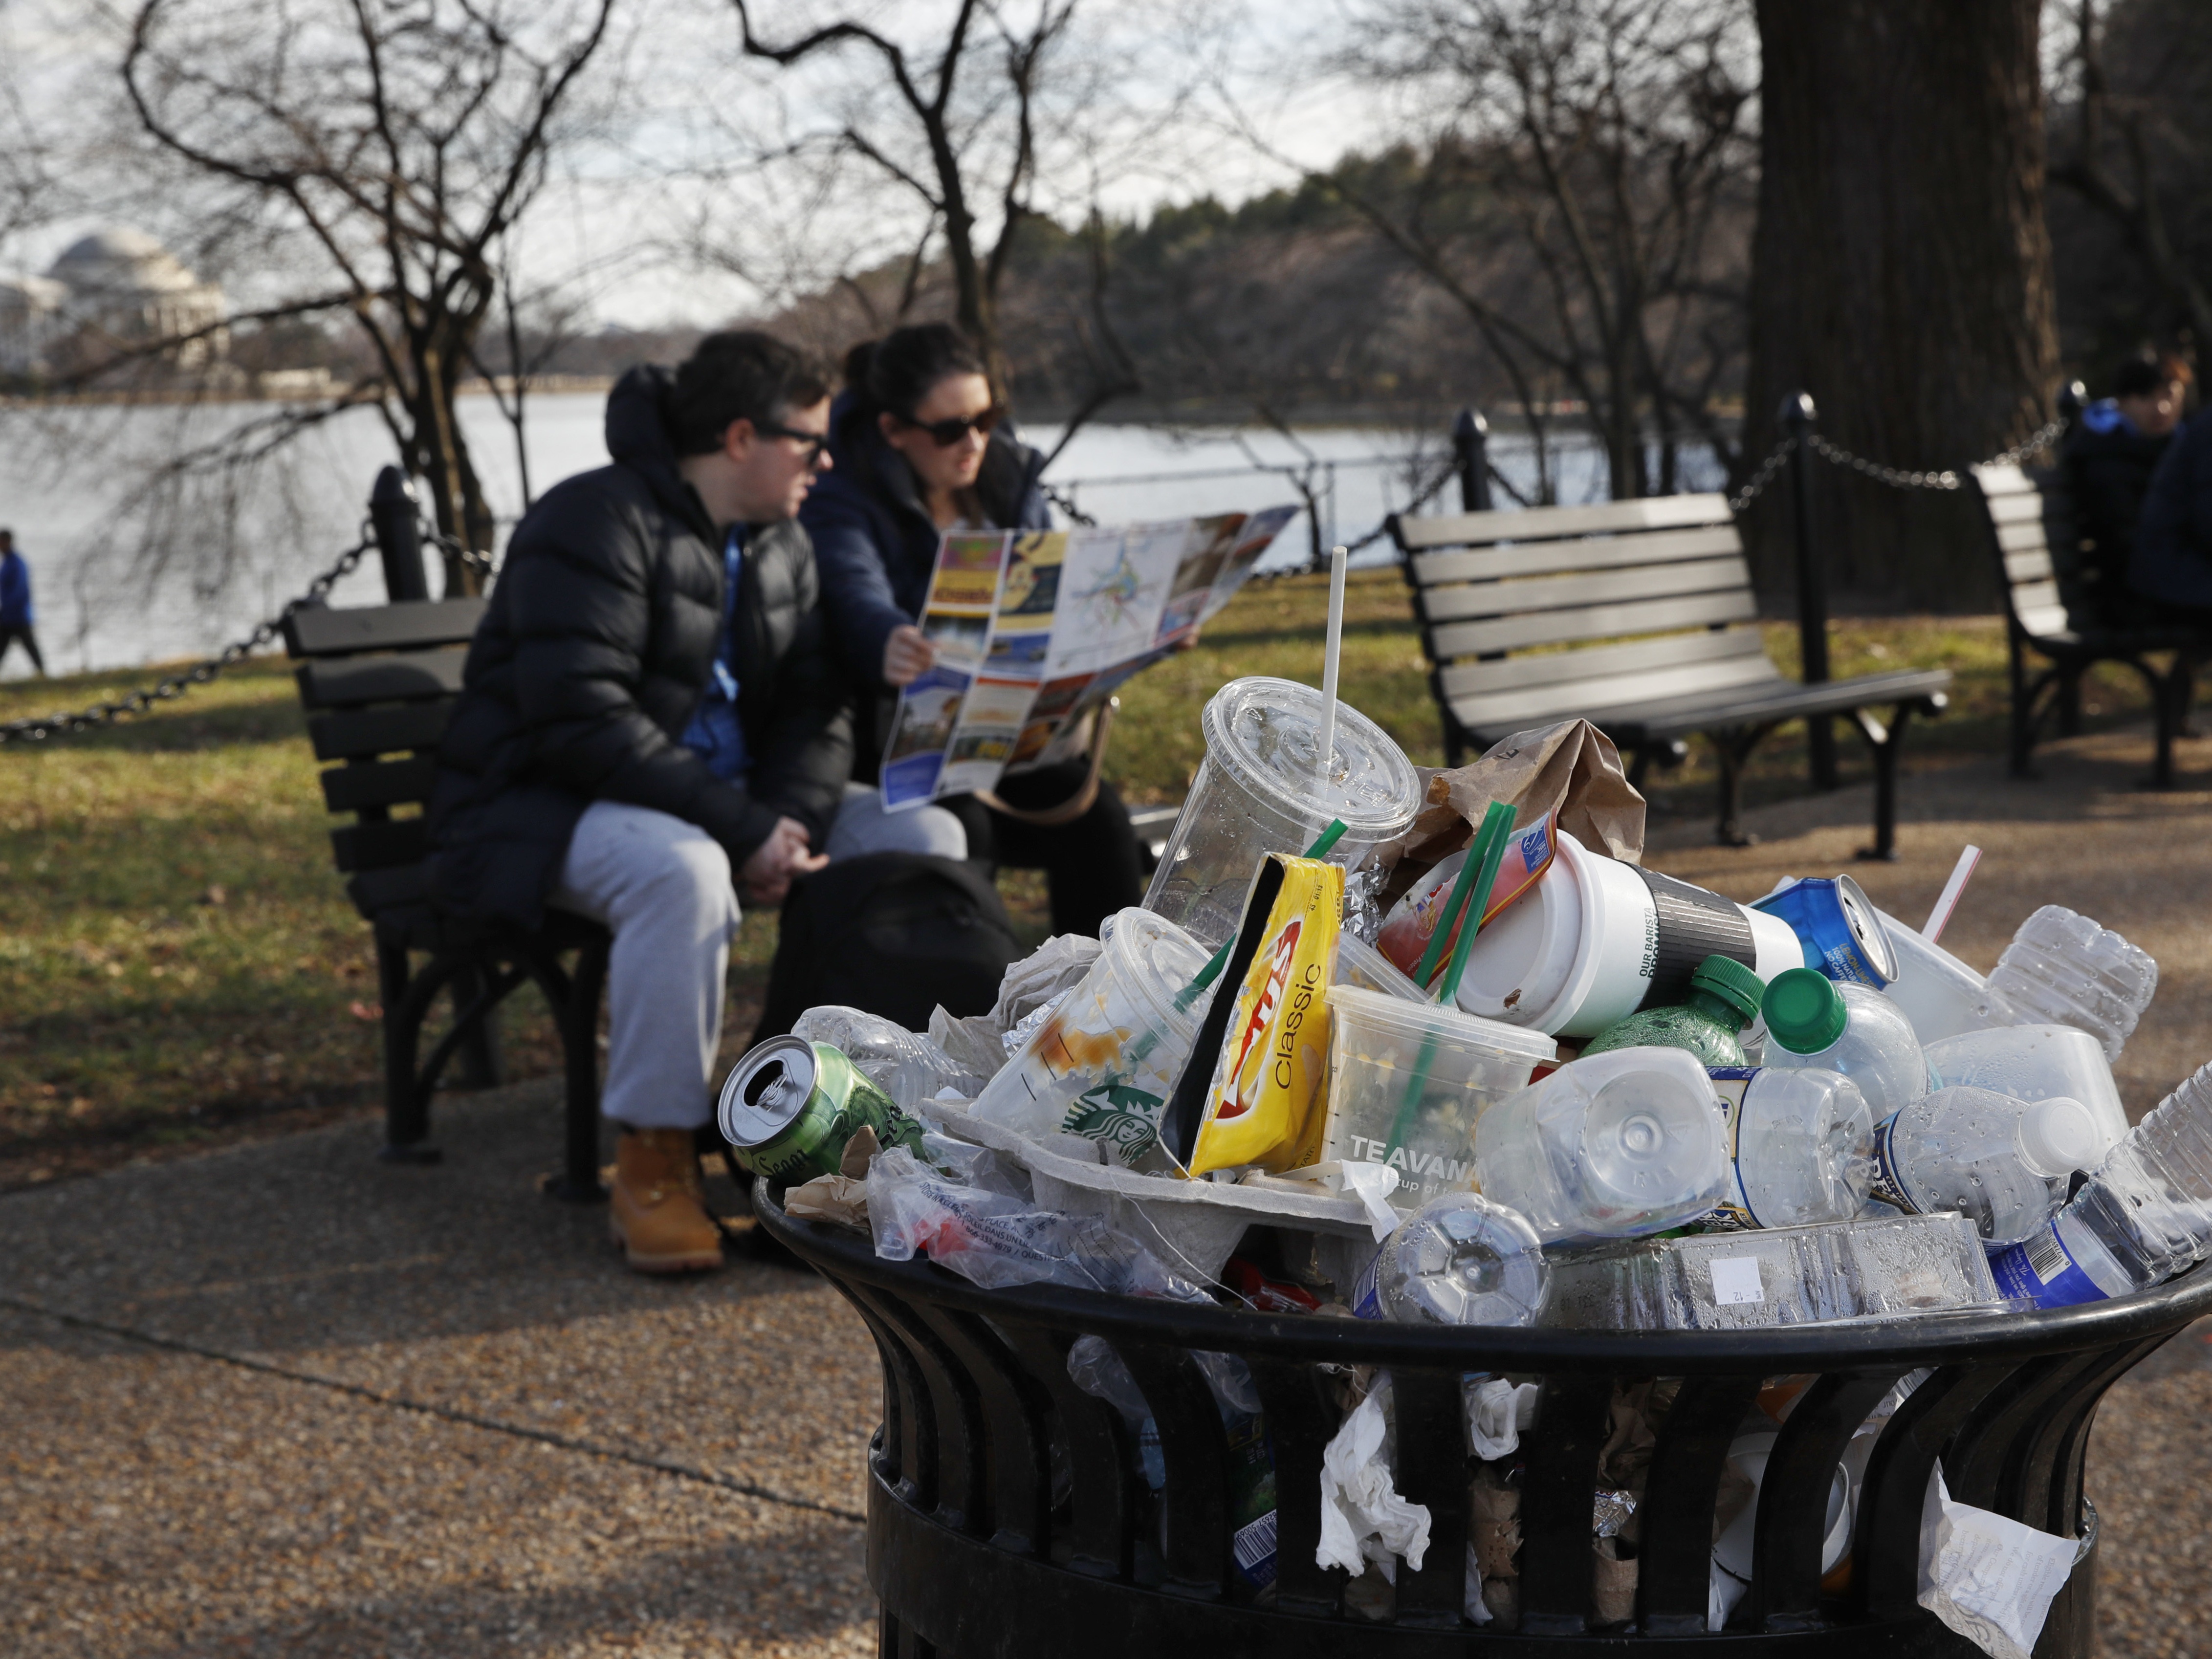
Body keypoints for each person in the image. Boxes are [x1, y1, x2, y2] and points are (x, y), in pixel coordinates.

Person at [428, 331, 965, 1276]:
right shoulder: (591, 519)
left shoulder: (783, 544)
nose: (827, 460)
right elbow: (575, 717)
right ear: (740, 436)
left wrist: (786, 817)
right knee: (684, 871)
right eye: (809, 440)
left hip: (730, 808)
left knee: (923, 828)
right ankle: (655, 1160)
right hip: (545, 805)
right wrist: (744, 827)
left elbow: (818, 704)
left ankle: (883, 1126)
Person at [803, 323, 1145, 937]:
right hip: (899, 745)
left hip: (1011, 736)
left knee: (1099, 819)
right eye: (951, 429)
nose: (975, 441)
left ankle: (1109, 1009)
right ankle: (979, 1008)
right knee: (968, 831)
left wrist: (1134, 632)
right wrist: (890, 638)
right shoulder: (841, 492)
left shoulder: (1005, 475)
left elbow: (1062, 585)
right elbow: (851, 586)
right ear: (893, 431)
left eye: (988, 418)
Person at [2060, 355, 2188, 627]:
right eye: (2146, 397)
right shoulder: (2104, 455)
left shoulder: (2174, 450)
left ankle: (2185, 670)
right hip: (2133, 596)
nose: (2162, 408)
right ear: (2121, 401)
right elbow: (2127, 536)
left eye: (2170, 395)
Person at [0, 530, 45, 675]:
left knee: (30, 647)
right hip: (9, 616)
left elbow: (18, 591)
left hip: (18, 615)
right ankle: (42, 674)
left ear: (7, 541)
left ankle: (42, 674)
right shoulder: (8, 562)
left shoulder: (17, 564)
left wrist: (6, 608)